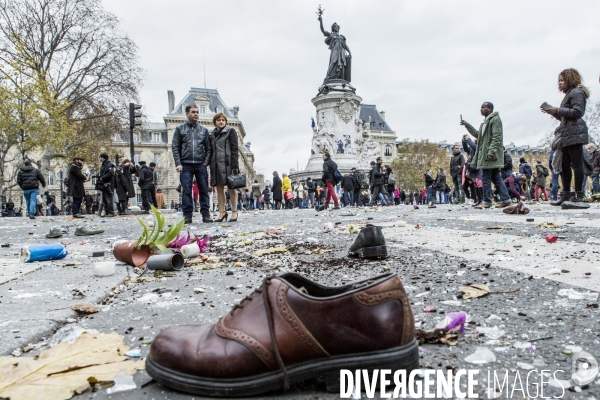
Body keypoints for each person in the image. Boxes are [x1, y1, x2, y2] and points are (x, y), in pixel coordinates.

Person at [543, 69, 590, 209]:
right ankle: (566, 194)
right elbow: (566, 117)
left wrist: (558, 110)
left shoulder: (576, 92)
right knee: (564, 166)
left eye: (562, 80)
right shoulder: (570, 94)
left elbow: (577, 112)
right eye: (559, 81)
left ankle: (578, 195)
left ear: (570, 79)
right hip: (567, 133)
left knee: (576, 164)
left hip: (575, 133)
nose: (560, 84)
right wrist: (554, 113)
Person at [461, 102, 511, 209]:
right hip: (487, 153)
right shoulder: (485, 122)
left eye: (483, 107)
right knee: (496, 177)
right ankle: (506, 199)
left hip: (489, 154)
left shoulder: (495, 119)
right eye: (481, 107)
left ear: (489, 109)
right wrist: (467, 125)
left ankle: (487, 201)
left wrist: (491, 152)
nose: (481, 109)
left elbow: (497, 137)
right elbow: (478, 134)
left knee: (486, 177)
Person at [172, 104, 213, 224]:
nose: (196, 114)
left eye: (197, 112)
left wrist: (206, 162)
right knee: (186, 190)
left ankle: (206, 214)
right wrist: (178, 163)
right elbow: (175, 147)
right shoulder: (180, 129)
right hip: (185, 164)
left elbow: (208, 148)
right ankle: (187, 215)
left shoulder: (204, 130)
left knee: (204, 190)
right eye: (193, 112)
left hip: (200, 164)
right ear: (187, 114)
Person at [208, 112, 240, 222]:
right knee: (219, 189)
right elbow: (210, 150)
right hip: (216, 164)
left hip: (228, 164)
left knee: (232, 188)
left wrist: (235, 165)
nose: (221, 122)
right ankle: (222, 212)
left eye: (223, 120)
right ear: (215, 122)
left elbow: (235, 149)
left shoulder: (231, 132)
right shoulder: (212, 135)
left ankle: (234, 211)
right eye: (218, 120)